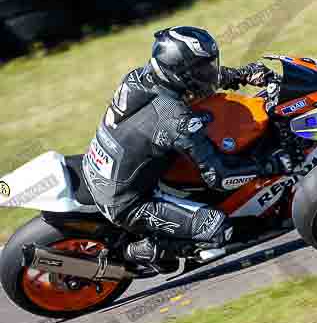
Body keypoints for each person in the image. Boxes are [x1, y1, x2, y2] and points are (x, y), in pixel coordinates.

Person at [82, 26, 286, 269]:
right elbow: (219, 177)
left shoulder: (141, 76)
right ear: (180, 73)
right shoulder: (175, 120)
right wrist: (272, 164)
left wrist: (242, 74)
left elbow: (197, 82)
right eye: (202, 68)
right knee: (219, 229)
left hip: (101, 165)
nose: (209, 72)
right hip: (128, 203)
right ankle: (135, 252)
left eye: (208, 65)